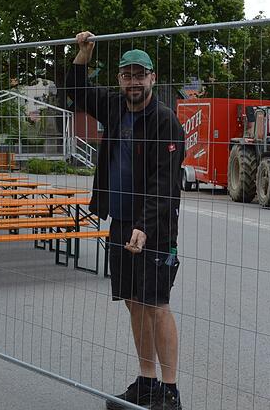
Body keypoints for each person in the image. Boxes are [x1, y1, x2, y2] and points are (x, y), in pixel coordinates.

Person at [66, 31, 185, 410]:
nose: (134, 82)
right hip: (121, 222)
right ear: (120, 79)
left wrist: (145, 225)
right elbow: (75, 90)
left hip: (155, 226)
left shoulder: (165, 122)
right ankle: (146, 382)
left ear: (153, 78)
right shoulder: (115, 106)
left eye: (140, 75)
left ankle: (170, 392)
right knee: (134, 302)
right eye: (127, 75)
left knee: (157, 304)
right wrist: (83, 54)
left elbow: (165, 184)